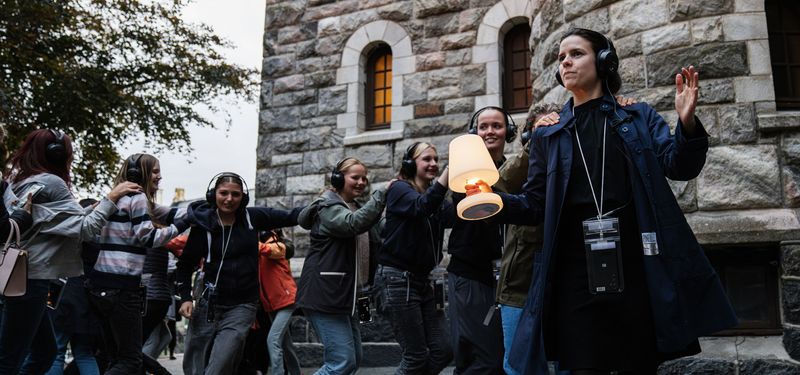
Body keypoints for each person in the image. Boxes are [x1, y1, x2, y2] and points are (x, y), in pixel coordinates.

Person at [499, 28, 737, 375]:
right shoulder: (548, 134)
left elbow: (679, 166)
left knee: (637, 363)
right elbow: (534, 205)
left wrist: (686, 125)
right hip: (572, 272)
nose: (565, 61)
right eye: (561, 57)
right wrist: (493, 203)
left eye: (576, 53)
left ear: (605, 61)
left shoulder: (637, 117)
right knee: (582, 365)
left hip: (637, 264)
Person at [0, 129, 140, 374]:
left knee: (45, 352)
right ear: (57, 154)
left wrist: (95, 206)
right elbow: (85, 230)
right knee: (9, 358)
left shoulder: (20, 182)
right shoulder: (52, 183)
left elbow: (59, 221)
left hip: (19, 278)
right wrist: (112, 196)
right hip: (32, 280)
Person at [176, 172, 302, 374]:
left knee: (221, 361)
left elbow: (291, 216)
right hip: (209, 305)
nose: (229, 199)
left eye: (235, 194)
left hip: (242, 306)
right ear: (213, 195)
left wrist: (318, 207)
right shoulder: (203, 225)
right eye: (223, 193)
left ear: (243, 197)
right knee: (194, 360)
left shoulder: (252, 217)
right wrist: (184, 298)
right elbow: (185, 265)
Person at [86, 153, 189, 375]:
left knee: (114, 357)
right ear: (138, 172)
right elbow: (149, 238)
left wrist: (195, 212)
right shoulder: (137, 198)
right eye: (155, 171)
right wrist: (180, 226)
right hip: (122, 287)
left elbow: (168, 212)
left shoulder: (115, 199)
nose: (159, 176)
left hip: (100, 286)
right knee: (130, 361)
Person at [296, 157, 392, 375]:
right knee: (342, 362)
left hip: (351, 297)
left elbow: (382, 229)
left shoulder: (358, 208)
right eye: (355, 177)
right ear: (338, 178)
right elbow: (352, 224)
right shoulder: (327, 207)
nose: (361, 182)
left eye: (364, 178)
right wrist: (381, 194)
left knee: (353, 359)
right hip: (326, 296)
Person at [374, 142, 453, 375]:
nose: (434, 164)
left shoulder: (433, 198)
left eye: (436, 160)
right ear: (410, 163)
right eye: (426, 159)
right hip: (397, 280)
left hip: (423, 281)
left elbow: (456, 216)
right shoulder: (399, 189)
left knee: (444, 350)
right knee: (415, 356)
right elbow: (421, 207)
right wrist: (448, 172)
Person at [446, 106, 513, 375]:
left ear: (508, 131)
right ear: (475, 132)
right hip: (471, 274)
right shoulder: (466, 170)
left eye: (496, 125)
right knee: (481, 359)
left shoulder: (511, 169)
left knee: (499, 355)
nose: (489, 132)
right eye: (483, 126)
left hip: (504, 276)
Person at [258, 229, 302, 375]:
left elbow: (270, 250)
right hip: (272, 304)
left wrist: (247, 241)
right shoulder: (262, 248)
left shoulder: (277, 246)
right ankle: (296, 372)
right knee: (285, 343)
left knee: (273, 340)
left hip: (286, 301)